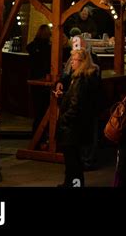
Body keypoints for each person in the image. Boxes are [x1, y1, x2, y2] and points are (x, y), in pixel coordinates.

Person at [56, 48, 100, 187]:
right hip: (77, 125)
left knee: (73, 160)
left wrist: (63, 119)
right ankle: (69, 182)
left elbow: (76, 105)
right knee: (73, 160)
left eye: (74, 60)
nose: (71, 64)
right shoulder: (83, 77)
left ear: (81, 62)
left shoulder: (80, 79)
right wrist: (64, 97)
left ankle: (74, 184)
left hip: (73, 127)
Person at [27, 24, 51, 136]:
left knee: (38, 110)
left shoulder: (33, 46)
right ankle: (40, 136)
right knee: (44, 110)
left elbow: (29, 48)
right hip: (43, 81)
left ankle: (35, 135)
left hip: (33, 79)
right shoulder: (48, 48)